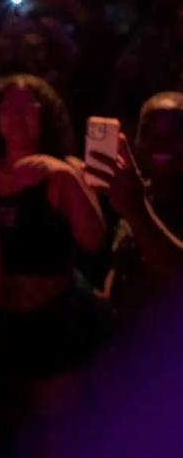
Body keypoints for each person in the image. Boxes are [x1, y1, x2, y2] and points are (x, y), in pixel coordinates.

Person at [0, 75, 106, 404]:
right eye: (8, 106)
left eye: (28, 108)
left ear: (45, 115)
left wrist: (67, 176)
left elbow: (94, 240)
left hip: (56, 321)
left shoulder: (65, 172)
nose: (17, 116)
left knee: (55, 428)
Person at [89, 93, 183, 319]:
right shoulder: (141, 190)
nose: (161, 142)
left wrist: (136, 209)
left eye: (176, 132)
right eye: (150, 132)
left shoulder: (136, 199)